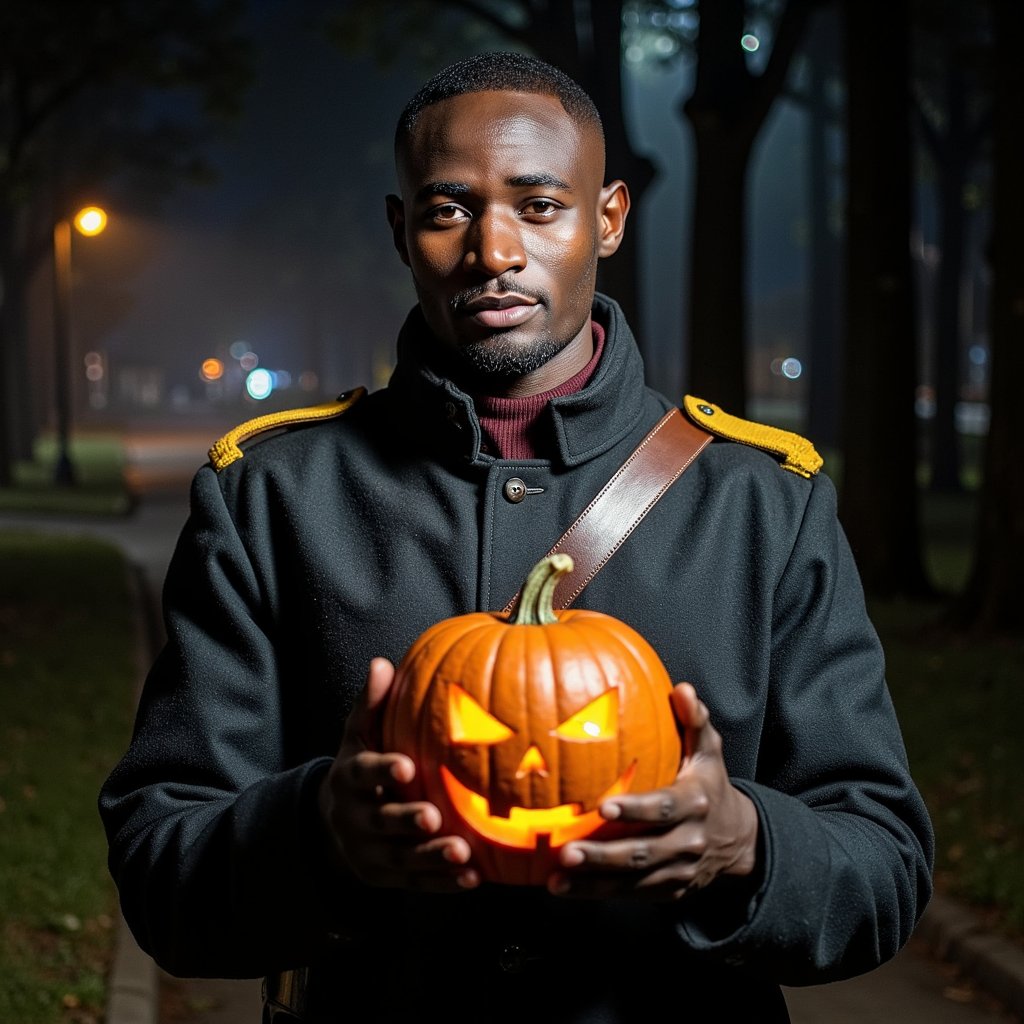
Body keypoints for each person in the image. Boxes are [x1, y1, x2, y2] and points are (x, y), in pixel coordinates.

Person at [100, 52, 933, 1023]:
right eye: (448, 208)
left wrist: (744, 843)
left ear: (609, 218)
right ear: (400, 229)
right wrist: (318, 834)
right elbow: (162, 872)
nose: (494, 248)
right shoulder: (271, 497)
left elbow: (883, 867)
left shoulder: (761, 503)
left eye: (539, 206)